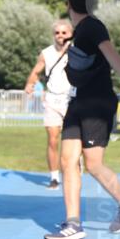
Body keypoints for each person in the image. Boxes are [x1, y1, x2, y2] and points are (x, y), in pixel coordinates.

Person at [45, 0, 120, 239]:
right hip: (77, 103)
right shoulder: (79, 31)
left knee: (94, 164)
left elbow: (110, 53)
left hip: (97, 104)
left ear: (69, 3)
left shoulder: (93, 26)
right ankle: (73, 224)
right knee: (67, 161)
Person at [24, 19, 73, 189]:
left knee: (72, 140)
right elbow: (36, 71)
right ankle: (54, 177)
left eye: (64, 32)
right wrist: (30, 84)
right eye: (57, 33)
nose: (60, 36)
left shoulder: (77, 52)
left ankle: (73, 172)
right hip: (52, 100)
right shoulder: (46, 53)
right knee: (53, 139)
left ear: (71, 34)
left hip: (72, 99)